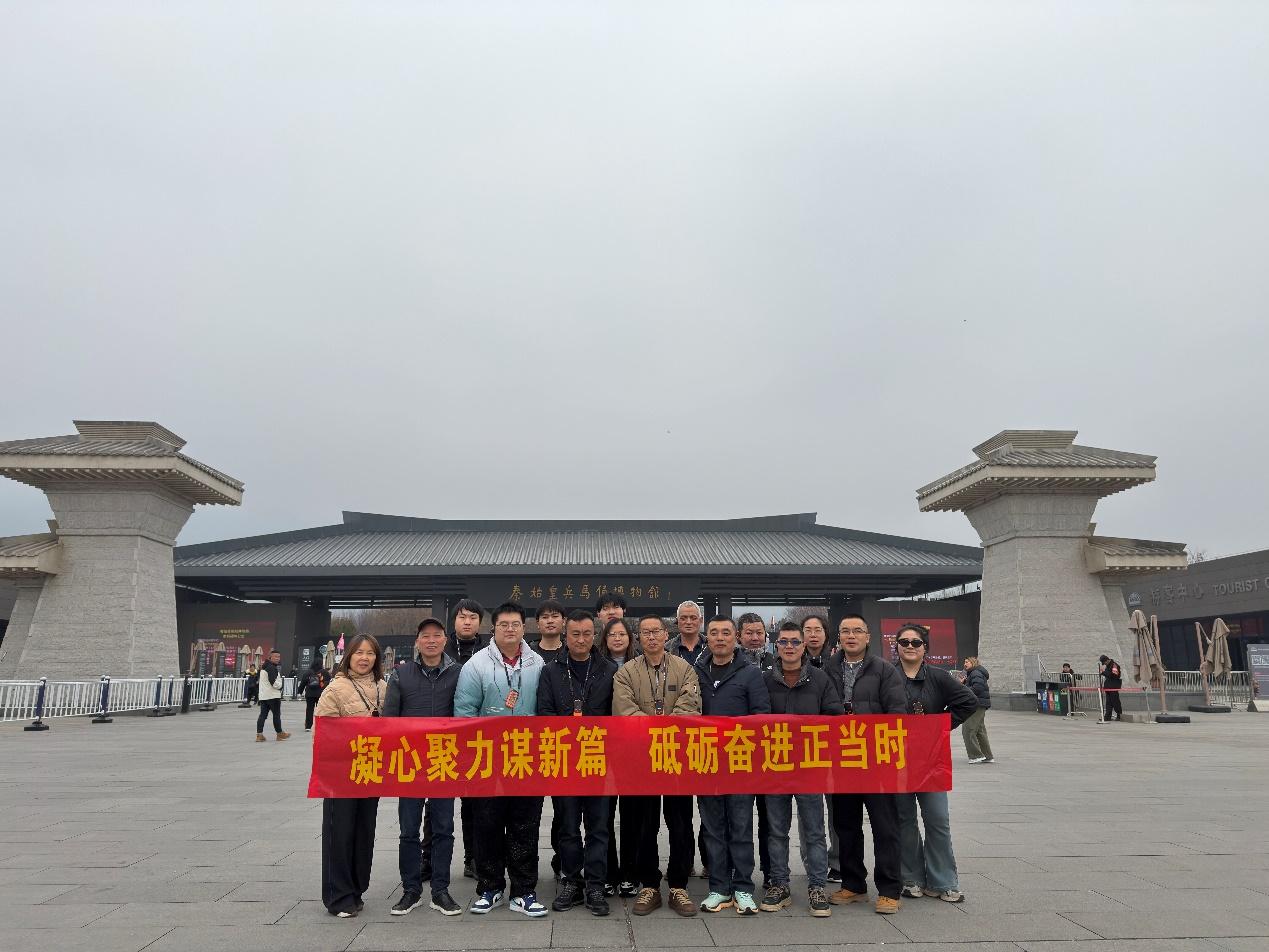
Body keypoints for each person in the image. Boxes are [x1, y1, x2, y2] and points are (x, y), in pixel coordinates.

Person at [454, 601, 548, 917]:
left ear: (524, 628)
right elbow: (464, 713)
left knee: (525, 826)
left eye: (516, 624)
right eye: (504, 624)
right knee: (487, 824)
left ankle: (524, 891)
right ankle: (490, 887)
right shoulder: (476, 665)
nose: (510, 629)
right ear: (493, 628)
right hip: (488, 759)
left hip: (526, 759)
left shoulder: (537, 663)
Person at [612, 613, 702, 917]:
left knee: (680, 822)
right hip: (641, 759)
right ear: (638, 638)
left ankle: (678, 885)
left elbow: (690, 707)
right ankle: (649, 884)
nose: (651, 637)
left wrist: (664, 730)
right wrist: (656, 730)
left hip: (676, 757)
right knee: (643, 823)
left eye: (656, 631)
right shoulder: (626, 672)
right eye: (645, 632)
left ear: (666, 635)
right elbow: (624, 710)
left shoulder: (684, 668)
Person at [536, 609, 617, 917]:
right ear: (565, 636)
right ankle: (571, 880)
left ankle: (595, 884)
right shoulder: (551, 670)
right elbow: (544, 712)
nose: (581, 640)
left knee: (599, 828)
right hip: (564, 760)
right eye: (575, 634)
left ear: (594, 636)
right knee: (568, 826)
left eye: (586, 634)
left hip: (598, 759)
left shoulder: (609, 670)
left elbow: (616, 715)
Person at [824, 614, 906, 915]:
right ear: (839, 637)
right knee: (845, 825)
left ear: (867, 637)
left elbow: (897, 712)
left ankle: (889, 889)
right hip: (842, 760)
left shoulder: (884, 670)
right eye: (845, 631)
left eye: (857, 631)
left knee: (885, 826)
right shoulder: (828, 669)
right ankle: (853, 884)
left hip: (876, 761)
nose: (851, 636)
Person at [761, 621, 842, 917]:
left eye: (795, 642)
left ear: (804, 645)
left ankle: (817, 885)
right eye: (784, 642)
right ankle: (779, 884)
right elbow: (755, 720)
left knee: (814, 831)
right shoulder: (765, 680)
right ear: (776, 646)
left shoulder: (820, 679)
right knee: (776, 831)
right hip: (775, 767)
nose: (790, 647)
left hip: (810, 767)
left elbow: (834, 717)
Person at [892, 624, 977, 904]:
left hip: (931, 761)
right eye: (904, 641)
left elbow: (968, 702)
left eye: (916, 642)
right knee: (904, 820)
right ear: (897, 646)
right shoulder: (887, 676)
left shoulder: (939, 677)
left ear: (925, 647)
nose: (910, 646)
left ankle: (943, 881)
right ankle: (911, 878)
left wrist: (941, 726)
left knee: (937, 819)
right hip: (897, 760)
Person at [383, 617, 463, 917]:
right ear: (417, 641)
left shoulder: (459, 673)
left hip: (445, 762)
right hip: (411, 764)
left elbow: (467, 715)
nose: (431, 640)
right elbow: (389, 721)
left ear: (445, 640)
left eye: (437, 635)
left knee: (444, 829)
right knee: (409, 830)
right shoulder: (401, 674)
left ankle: (440, 890)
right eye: (425, 636)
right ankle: (411, 890)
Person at [695, 615, 771, 915]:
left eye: (725, 633)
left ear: (735, 637)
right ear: (707, 638)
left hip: (740, 763)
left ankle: (743, 888)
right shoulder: (696, 671)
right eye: (714, 633)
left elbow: (762, 716)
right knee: (713, 829)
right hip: (707, 762)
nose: (720, 638)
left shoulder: (750, 673)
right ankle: (719, 888)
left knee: (740, 828)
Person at [315, 633, 387, 917]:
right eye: (358, 653)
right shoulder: (336, 689)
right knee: (340, 833)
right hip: (341, 775)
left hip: (371, 771)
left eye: (370, 653)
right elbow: (323, 733)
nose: (364, 658)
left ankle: (356, 889)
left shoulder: (384, 687)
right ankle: (338, 896)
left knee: (364, 833)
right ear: (348, 657)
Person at [441, 597, 486, 880]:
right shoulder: (441, 648)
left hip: (480, 738)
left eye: (472, 617)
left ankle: (475, 857)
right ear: (454, 620)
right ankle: (430, 859)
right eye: (462, 617)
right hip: (446, 736)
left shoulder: (489, 650)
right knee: (438, 801)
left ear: (480, 623)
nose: (467, 622)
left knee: (475, 803)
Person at [598, 617, 639, 898]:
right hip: (602, 748)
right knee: (603, 815)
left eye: (622, 634)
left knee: (632, 815)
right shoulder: (597, 666)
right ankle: (607, 873)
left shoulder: (640, 665)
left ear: (629, 638)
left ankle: (630, 874)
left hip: (633, 749)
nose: (617, 638)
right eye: (612, 634)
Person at [800, 613, 841, 881]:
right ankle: (811, 861)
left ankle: (836, 860)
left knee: (837, 807)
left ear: (826, 634)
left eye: (818, 630)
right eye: (808, 630)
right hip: (803, 746)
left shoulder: (838, 663)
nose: (813, 635)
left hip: (833, 744)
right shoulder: (792, 661)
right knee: (808, 809)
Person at [531, 598, 568, 882]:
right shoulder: (528, 654)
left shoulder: (572, 652)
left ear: (563, 622)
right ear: (537, 623)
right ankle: (525, 864)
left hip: (562, 743)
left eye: (555, 616)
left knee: (563, 809)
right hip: (529, 742)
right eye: (545, 616)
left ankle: (562, 859)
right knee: (529, 809)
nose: (550, 620)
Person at [736, 612, 774, 890]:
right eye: (749, 633)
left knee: (771, 818)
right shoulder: (729, 662)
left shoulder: (778, 661)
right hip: (737, 750)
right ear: (739, 636)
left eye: (759, 632)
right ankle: (735, 871)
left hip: (771, 750)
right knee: (737, 819)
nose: (754, 637)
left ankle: (771, 871)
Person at [961, 657, 995, 760]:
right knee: (980, 731)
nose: (965, 664)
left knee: (968, 729)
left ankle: (976, 756)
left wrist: (963, 689)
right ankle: (987, 756)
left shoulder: (975, 673)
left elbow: (978, 688)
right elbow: (976, 686)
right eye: (964, 662)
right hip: (980, 704)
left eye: (967, 662)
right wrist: (964, 683)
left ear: (973, 662)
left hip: (976, 704)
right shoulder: (975, 673)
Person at [254, 650, 291, 742]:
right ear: (270, 657)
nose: (278, 658)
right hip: (273, 695)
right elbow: (274, 683)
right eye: (275, 656)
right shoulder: (271, 668)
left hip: (264, 696)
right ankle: (279, 734)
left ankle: (259, 735)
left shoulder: (264, 667)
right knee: (276, 715)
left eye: (279, 657)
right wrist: (281, 686)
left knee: (263, 715)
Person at [298, 659, 328, 732]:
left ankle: (308, 726)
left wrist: (299, 692)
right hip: (320, 694)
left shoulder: (308, 672)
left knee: (309, 710)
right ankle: (320, 725)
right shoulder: (324, 672)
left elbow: (303, 683)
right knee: (320, 710)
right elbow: (328, 682)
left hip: (309, 694)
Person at [1099, 654, 1124, 722]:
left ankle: (1119, 716)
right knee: (1108, 703)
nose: (1104, 664)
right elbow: (1109, 675)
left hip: (1113, 686)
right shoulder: (1108, 666)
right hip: (1109, 687)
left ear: (1107, 660)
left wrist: (1103, 672)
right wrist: (1104, 672)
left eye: (1104, 662)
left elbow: (1114, 675)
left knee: (1115, 702)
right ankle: (1107, 717)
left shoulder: (1114, 665)